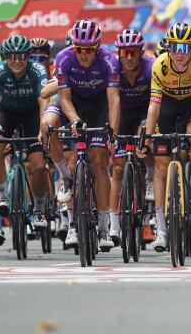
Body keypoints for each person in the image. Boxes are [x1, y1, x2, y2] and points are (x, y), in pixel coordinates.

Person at [140, 22, 191, 253]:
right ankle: (161, 230)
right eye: (175, 47)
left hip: (190, 106)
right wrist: (147, 138)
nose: (180, 53)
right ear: (168, 49)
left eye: (185, 47)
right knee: (161, 168)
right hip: (166, 109)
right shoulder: (159, 66)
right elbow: (153, 106)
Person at [53, 20, 121, 251]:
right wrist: (74, 120)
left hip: (99, 105)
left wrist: (112, 131)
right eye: (79, 48)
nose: (83, 54)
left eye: (89, 49)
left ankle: (103, 228)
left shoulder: (109, 60)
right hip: (73, 104)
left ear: (98, 46)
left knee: (100, 162)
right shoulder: (63, 58)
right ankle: (71, 214)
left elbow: (113, 99)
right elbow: (63, 98)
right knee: (58, 141)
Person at [0, 35, 51, 248]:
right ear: (5, 57)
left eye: (21, 56)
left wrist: (43, 127)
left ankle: (39, 209)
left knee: (39, 166)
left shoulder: (38, 70)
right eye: (11, 56)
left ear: (28, 56)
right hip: (7, 113)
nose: (16, 60)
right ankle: (3, 196)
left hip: (32, 114)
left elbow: (44, 100)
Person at [110, 29, 153, 245]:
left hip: (144, 112)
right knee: (118, 168)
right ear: (118, 53)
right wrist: (112, 133)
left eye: (133, 52)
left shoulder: (151, 67)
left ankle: (146, 219)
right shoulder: (112, 67)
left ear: (140, 53)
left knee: (143, 155)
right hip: (122, 114)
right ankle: (114, 224)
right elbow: (111, 101)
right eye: (124, 52)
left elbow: (157, 102)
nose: (128, 57)